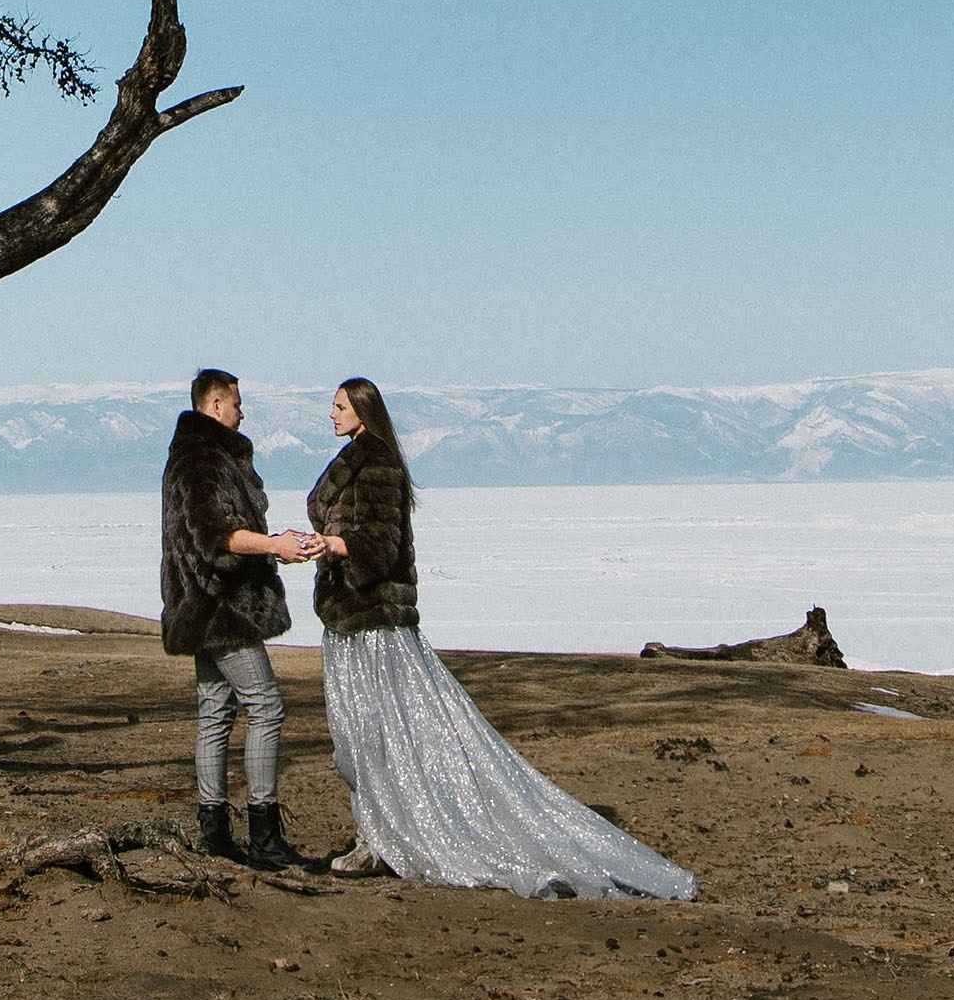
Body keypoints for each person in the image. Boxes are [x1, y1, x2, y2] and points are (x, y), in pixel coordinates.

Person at [305, 378, 696, 901]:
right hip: (345, 619)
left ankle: (385, 836)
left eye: (339, 406)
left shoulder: (377, 465)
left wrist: (335, 543)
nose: (331, 414)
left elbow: (381, 543)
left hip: (374, 622)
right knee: (358, 735)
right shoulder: (351, 459)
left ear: (364, 412)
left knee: (385, 733)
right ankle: (378, 831)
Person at [160, 367, 315, 868]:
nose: (242, 411)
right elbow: (217, 536)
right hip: (222, 606)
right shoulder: (203, 460)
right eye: (236, 403)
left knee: (215, 712)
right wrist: (274, 546)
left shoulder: (194, 456)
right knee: (265, 705)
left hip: (200, 606)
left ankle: (215, 833)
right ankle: (263, 834)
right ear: (215, 406)